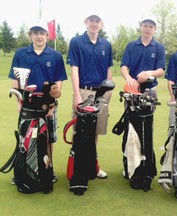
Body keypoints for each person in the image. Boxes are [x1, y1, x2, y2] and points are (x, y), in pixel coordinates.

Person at [8, 20, 68, 184]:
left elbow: (58, 81)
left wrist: (52, 102)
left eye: (42, 33)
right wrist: (19, 101)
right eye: (36, 33)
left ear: (47, 36)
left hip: (47, 104)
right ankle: (22, 169)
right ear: (30, 35)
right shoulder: (21, 53)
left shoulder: (55, 56)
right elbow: (15, 81)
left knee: (48, 138)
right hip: (27, 104)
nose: (39, 36)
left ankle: (47, 169)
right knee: (25, 137)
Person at [120, 14, 166, 190]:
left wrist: (150, 73)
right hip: (132, 91)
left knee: (146, 129)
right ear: (140, 26)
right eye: (145, 25)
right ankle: (128, 166)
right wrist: (129, 78)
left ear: (154, 29)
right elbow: (124, 66)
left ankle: (145, 166)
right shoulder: (132, 45)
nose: (148, 29)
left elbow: (161, 70)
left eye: (151, 26)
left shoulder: (159, 47)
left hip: (149, 92)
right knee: (129, 128)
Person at [67, 10, 113, 179]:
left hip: (101, 93)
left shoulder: (106, 45)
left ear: (102, 23)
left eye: (97, 20)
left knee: (95, 131)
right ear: (85, 21)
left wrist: (108, 92)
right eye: (91, 20)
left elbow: (108, 69)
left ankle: (93, 166)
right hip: (84, 91)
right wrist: (77, 94)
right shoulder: (77, 42)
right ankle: (77, 167)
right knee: (79, 131)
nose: (94, 23)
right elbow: (74, 69)